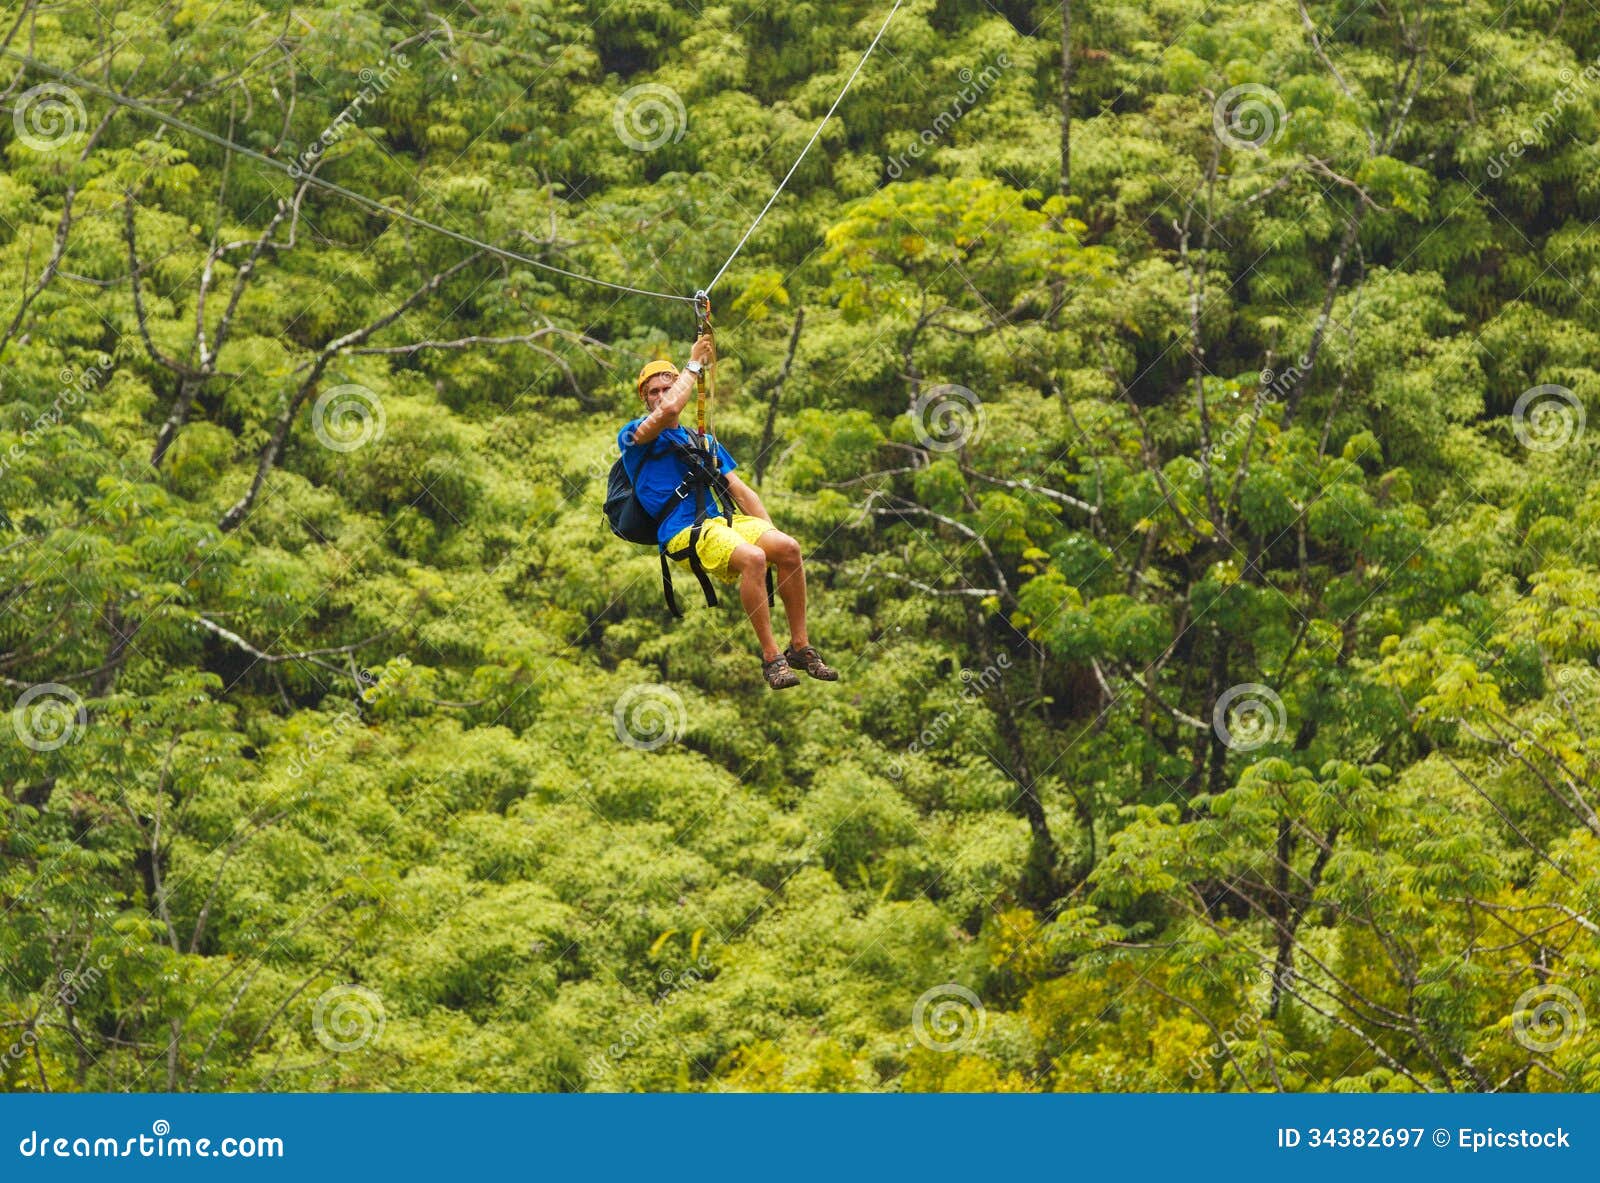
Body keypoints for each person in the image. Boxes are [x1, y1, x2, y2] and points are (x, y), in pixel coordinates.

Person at [618, 336, 837, 690]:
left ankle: (800, 647)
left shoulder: (703, 441)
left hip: (721, 522)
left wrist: (773, 538)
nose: (661, 396)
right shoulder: (633, 436)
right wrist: (693, 365)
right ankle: (772, 659)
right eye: (653, 392)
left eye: (666, 388)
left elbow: (739, 490)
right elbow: (669, 412)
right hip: (682, 531)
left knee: (789, 548)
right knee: (752, 558)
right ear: (644, 399)